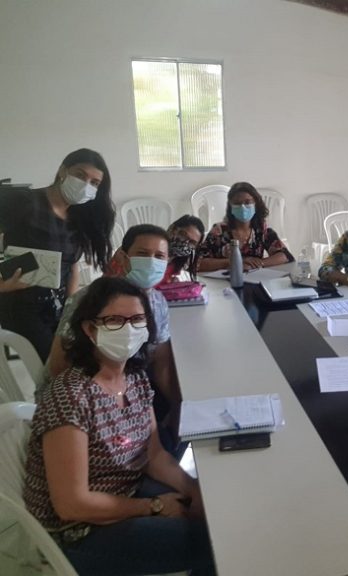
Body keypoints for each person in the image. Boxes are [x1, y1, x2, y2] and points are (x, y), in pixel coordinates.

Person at [23, 277, 215, 575]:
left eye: (137, 320)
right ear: (89, 329)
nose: (128, 330)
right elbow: (72, 505)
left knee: (215, 513)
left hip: (126, 490)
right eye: (114, 321)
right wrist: (154, 506)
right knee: (212, 545)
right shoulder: (70, 397)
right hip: (80, 531)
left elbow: (154, 455)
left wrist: (193, 488)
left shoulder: (135, 378)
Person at [47, 225, 180, 447]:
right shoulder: (89, 300)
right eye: (142, 254)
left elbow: (161, 365)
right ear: (123, 256)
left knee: (171, 440)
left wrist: (180, 404)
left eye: (159, 256)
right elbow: (59, 366)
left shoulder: (158, 303)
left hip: (132, 392)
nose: (151, 262)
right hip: (83, 400)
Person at [0, 148, 115, 361]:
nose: (86, 185)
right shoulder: (23, 201)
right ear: (63, 171)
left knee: (93, 351)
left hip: (56, 307)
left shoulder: (78, 217)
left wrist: (69, 312)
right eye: (80, 175)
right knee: (60, 365)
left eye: (94, 182)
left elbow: (71, 266)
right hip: (20, 306)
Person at [197, 182, 292, 272]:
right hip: (223, 282)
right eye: (237, 203)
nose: (243, 207)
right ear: (231, 207)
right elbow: (198, 263)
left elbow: (285, 256)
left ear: (256, 204)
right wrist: (234, 262)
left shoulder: (261, 230)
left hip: (254, 279)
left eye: (247, 202)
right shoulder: (219, 231)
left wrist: (259, 263)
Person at [162, 214, 205, 283]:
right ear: (173, 229)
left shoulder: (178, 261)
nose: (185, 243)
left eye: (192, 242)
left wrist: (171, 281)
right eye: (183, 235)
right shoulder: (152, 250)